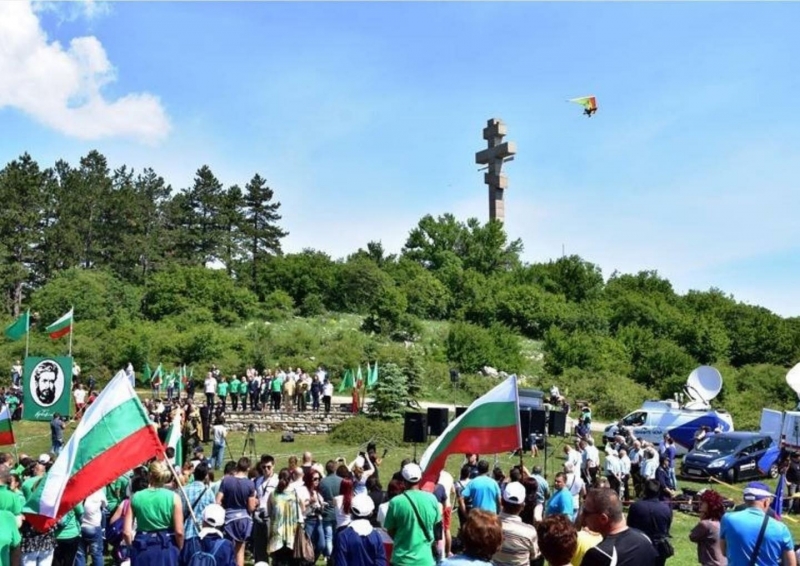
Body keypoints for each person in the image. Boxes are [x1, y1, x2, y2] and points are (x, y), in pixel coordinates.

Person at [720, 481, 795, 566]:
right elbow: (791, 563)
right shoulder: (781, 528)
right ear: (766, 502)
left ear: (745, 499)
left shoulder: (728, 519)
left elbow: (724, 551)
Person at [123, 461, 184, 566]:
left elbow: (127, 532)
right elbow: (179, 531)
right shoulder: (174, 497)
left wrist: (131, 548)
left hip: (142, 547)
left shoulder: (136, 497)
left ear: (150, 475)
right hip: (166, 546)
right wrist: (180, 548)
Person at [578, 488, 657, 566]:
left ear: (603, 519)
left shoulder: (599, 555)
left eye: (586, 512)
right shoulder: (645, 539)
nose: (582, 515)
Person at [384, 463, 440, 566]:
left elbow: (390, 529)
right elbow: (438, 529)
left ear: (403, 481)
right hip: (425, 560)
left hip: (401, 560)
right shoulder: (432, 499)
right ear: (420, 478)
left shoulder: (395, 502)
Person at [215, 458, 256, 566]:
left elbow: (218, 501)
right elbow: (251, 507)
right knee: (240, 551)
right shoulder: (250, 484)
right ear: (248, 468)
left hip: (228, 518)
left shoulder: (226, 481)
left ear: (237, 466)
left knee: (228, 548)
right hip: (243, 519)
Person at [492, 481, 541, 566]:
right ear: (522, 506)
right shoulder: (529, 532)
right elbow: (534, 556)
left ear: (502, 502)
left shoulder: (489, 525)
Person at [626, 480, 673, 566]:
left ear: (645, 491)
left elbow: (629, 526)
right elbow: (667, 529)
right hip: (660, 548)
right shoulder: (666, 508)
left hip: (639, 547)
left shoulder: (636, 506)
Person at [333, 494, 387, 566]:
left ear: (351, 510)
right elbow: (381, 562)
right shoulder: (377, 536)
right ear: (370, 513)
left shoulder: (343, 536)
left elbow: (341, 563)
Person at [267, 468, 303, 566]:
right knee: (292, 561)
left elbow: (269, 512)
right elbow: (302, 509)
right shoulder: (295, 493)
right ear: (290, 479)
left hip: (277, 534)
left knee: (278, 561)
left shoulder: (273, 494)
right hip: (292, 534)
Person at [689, 489, 727, 566]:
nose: (700, 506)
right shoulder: (722, 522)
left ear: (709, 505)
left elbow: (692, 537)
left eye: (702, 503)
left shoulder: (705, 524)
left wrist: (702, 517)